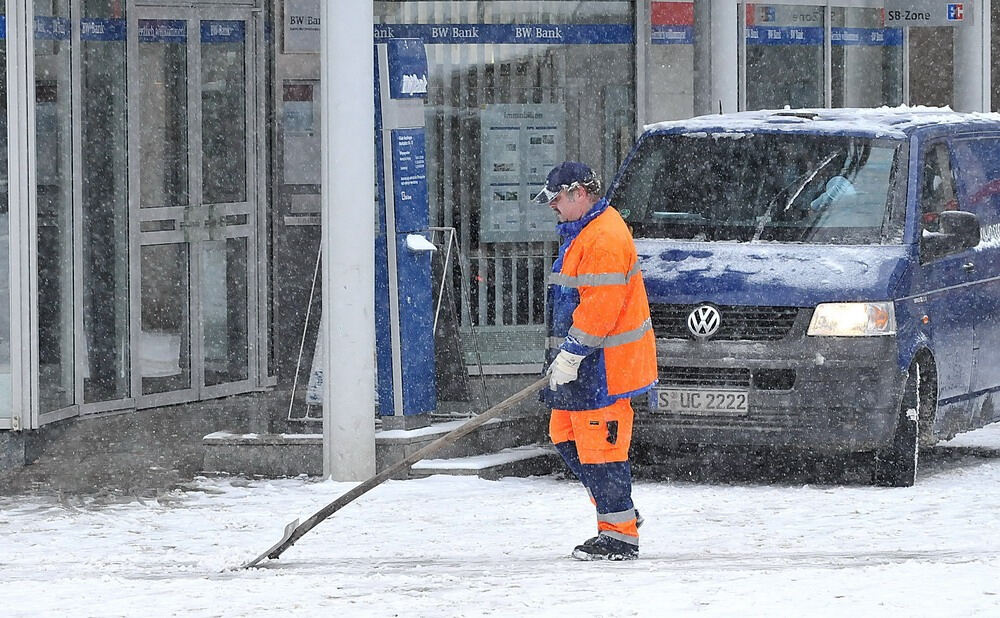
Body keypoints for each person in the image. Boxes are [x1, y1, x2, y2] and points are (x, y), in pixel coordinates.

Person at [532, 161, 658, 561]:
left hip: (605, 368)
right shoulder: (585, 232)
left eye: (557, 200)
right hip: (585, 364)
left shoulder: (603, 239)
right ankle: (616, 507)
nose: (553, 207)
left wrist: (571, 354)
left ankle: (619, 535)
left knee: (601, 450)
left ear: (579, 194)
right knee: (565, 435)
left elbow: (599, 311)